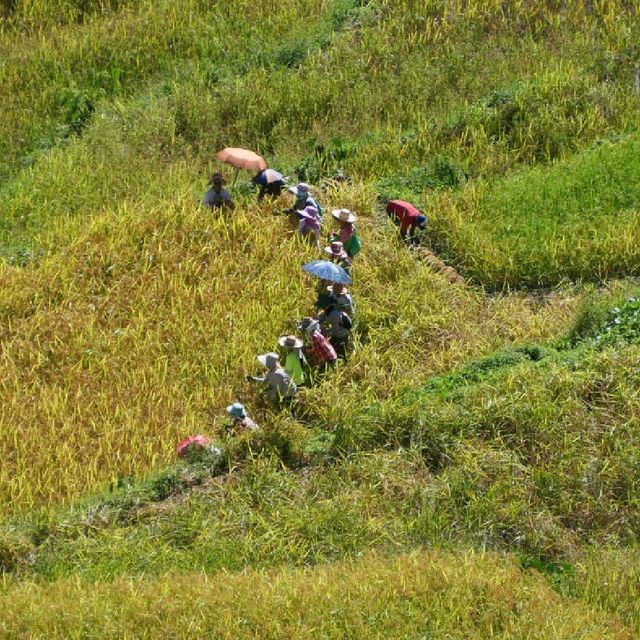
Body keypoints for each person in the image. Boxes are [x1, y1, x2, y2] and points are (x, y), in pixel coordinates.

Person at [316, 295, 352, 359]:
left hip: (342, 333)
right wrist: (316, 323)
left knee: (342, 350)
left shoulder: (334, 314)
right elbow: (323, 318)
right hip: (337, 331)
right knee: (331, 344)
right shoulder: (330, 308)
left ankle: (344, 360)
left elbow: (335, 329)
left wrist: (325, 331)